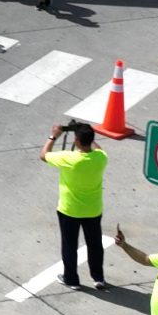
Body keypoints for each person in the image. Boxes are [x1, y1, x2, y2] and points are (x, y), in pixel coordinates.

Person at [42, 121, 109, 288]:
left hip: (70, 210)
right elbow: (98, 149)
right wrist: (87, 134)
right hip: (93, 210)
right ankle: (98, 277)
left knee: (69, 245)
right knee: (95, 245)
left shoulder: (69, 158)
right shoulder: (101, 158)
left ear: (76, 140)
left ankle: (71, 279)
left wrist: (53, 136)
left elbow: (44, 155)